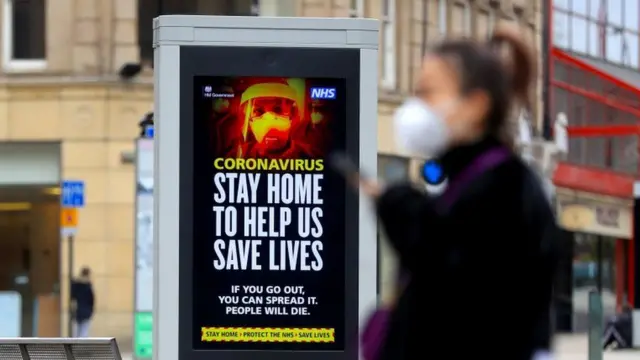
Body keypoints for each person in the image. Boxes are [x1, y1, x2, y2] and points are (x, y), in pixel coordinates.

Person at [363, 25, 560, 360]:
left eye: (428, 93)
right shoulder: (470, 180)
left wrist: (400, 207)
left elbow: (457, 292)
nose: (415, 107)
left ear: (475, 105)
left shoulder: (503, 191)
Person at [71, 266, 95, 337]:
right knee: (84, 332)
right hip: (86, 311)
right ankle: (82, 347)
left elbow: (72, 296)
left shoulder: (75, 285)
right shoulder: (88, 286)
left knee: (76, 333)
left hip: (77, 311)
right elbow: (91, 300)